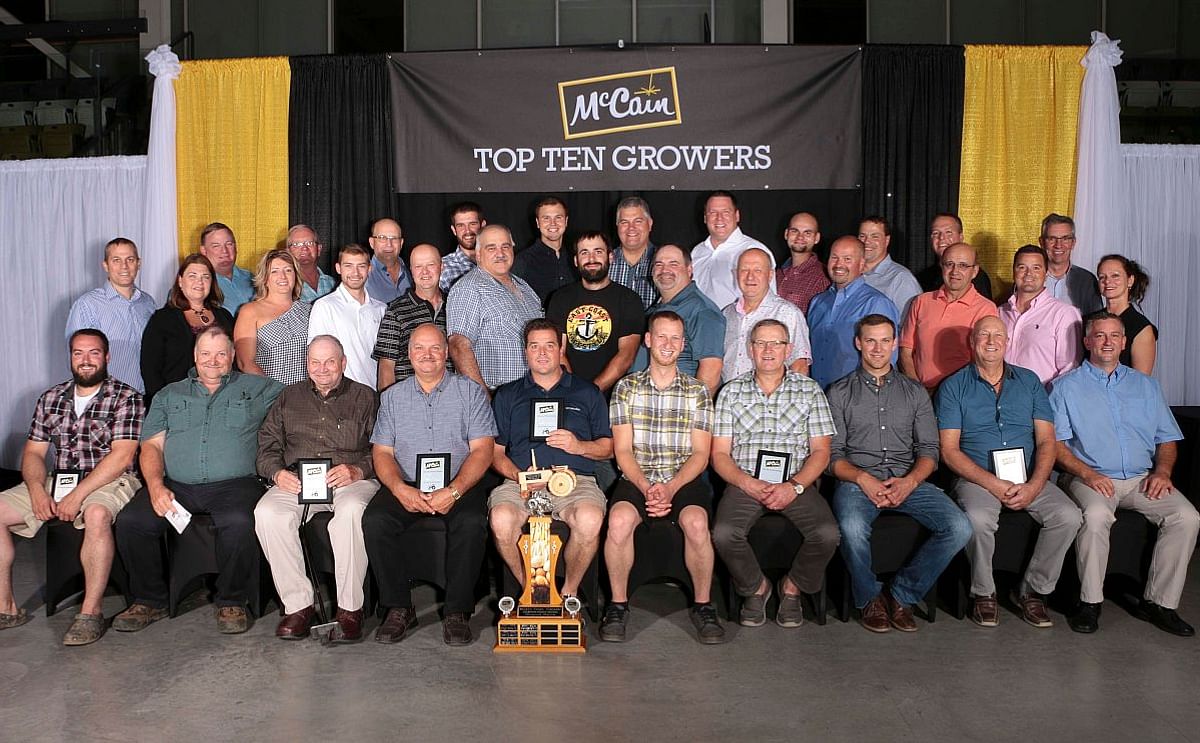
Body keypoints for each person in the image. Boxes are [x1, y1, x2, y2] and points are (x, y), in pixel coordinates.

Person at [114, 328, 282, 634]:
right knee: (131, 521)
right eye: (206, 353)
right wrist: (155, 486)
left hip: (236, 484)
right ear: (195, 356)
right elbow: (151, 445)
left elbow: (297, 405)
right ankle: (149, 599)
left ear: (232, 356)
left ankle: (232, 599)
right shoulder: (169, 394)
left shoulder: (260, 388)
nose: (213, 361)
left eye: (221, 354)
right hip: (177, 486)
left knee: (239, 521)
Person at [1050, 312, 1198, 636]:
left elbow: (1167, 438)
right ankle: (1089, 603)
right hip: (1089, 477)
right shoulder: (1064, 388)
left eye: (1114, 336)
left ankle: (1160, 603)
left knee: (1186, 516)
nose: (1107, 342)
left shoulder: (1146, 386)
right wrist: (1087, 474)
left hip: (1141, 478)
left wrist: (1162, 471)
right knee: (1096, 515)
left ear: (1124, 342)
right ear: (1087, 341)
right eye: (1100, 336)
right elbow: (1055, 446)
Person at [828, 315, 971, 633]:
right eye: (870, 340)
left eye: (884, 341)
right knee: (851, 528)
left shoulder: (915, 392)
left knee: (959, 527)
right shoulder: (838, 393)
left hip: (908, 479)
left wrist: (910, 481)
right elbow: (832, 456)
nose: (877, 348)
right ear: (858, 343)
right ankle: (868, 599)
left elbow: (929, 451)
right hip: (857, 481)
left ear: (895, 344)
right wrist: (863, 479)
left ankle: (902, 595)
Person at [936, 316, 1082, 629]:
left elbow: (1046, 441)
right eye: (984, 335)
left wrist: (1034, 485)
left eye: (998, 335)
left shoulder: (1030, 382)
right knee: (977, 519)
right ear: (971, 342)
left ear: (1008, 342)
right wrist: (993, 483)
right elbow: (949, 451)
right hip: (977, 477)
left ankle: (1032, 591)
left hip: (1029, 476)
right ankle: (984, 593)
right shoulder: (953, 387)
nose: (991, 341)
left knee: (1069, 515)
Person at [0, 329, 143, 646]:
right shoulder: (51, 398)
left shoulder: (126, 397)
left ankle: (89, 614)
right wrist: (37, 489)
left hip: (112, 478)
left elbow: (121, 457)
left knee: (95, 513)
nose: (86, 360)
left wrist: (77, 496)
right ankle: (6, 607)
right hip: (61, 477)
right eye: (78, 353)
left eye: (94, 353)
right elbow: (34, 453)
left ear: (107, 357)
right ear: (70, 357)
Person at [363, 324, 496, 645]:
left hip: (458, 482)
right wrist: (398, 489)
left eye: (435, 348)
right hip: (407, 481)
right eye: (419, 348)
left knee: (471, 521)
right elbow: (381, 452)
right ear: (409, 355)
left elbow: (483, 449)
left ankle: (457, 611)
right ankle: (398, 606)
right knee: (375, 520)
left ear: (447, 353)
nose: (427, 355)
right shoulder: (392, 397)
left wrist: (454, 490)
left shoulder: (470, 391)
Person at [600, 311, 723, 644]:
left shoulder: (698, 392)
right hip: (637, 474)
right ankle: (618, 604)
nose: (668, 345)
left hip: (681, 477)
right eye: (661, 337)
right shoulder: (626, 388)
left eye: (675, 339)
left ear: (683, 345)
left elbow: (701, 454)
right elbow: (622, 451)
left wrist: (669, 488)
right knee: (620, 521)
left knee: (697, 523)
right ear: (649, 340)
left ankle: (703, 605)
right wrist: (646, 486)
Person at [711, 319, 840, 629]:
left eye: (776, 343)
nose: (768, 350)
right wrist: (747, 483)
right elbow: (719, 454)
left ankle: (792, 588)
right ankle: (756, 588)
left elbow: (822, 452)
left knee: (828, 534)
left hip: (796, 481)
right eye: (760, 343)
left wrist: (793, 486)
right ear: (750, 349)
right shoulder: (731, 393)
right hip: (745, 482)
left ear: (788, 349)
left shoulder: (809, 391)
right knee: (724, 534)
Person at [254, 336, 379, 642]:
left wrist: (358, 469)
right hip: (298, 479)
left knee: (350, 513)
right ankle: (298, 606)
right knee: (267, 513)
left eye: (330, 362)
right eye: (315, 362)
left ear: (343, 363)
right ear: (306, 363)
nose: (322, 369)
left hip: (349, 480)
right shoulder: (288, 397)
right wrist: (277, 473)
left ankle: (350, 610)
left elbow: (384, 449)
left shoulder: (366, 397)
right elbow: (267, 447)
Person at [488, 319, 612, 610]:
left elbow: (608, 448)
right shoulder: (507, 395)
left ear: (561, 348)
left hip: (576, 482)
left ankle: (567, 596)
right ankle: (530, 591)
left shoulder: (587, 393)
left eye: (549, 346)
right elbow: (494, 453)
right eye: (534, 346)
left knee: (590, 519)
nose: (542, 353)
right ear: (525, 351)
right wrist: (519, 476)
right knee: (501, 520)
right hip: (520, 484)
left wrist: (578, 446)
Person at [447, 225, 543, 394]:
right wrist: (483, 401)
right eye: (491, 248)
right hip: (495, 396)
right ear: (478, 254)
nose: (500, 253)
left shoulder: (526, 289)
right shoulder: (469, 288)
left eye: (505, 246)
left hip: (533, 393)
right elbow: (458, 347)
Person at [546, 231, 644, 396]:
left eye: (598, 251)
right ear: (576, 260)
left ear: (610, 257)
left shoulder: (629, 300)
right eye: (584, 252)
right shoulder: (560, 298)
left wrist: (591, 392)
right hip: (568, 394)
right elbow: (558, 351)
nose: (591, 259)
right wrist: (573, 390)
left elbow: (626, 355)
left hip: (613, 399)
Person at [899, 243, 998, 392]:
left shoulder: (985, 308)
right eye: (949, 264)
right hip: (921, 394)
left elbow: (985, 360)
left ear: (975, 271)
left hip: (962, 395)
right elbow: (906, 351)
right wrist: (918, 391)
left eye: (963, 265)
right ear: (942, 267)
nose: (954, 271)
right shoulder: (921, 301)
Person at [630, 245, 725, 397]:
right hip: (645, 403)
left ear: (689, 270)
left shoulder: (702, 310)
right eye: (659, 264)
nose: (664, 269)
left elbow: (711, 371)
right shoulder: (656, 308)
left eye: (673, 264)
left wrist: (692, 412)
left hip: (677, 409)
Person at [140, 254, 235, 405]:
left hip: (222, 402)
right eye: (193, 276)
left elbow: (234, 361)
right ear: (180, 281)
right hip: (177, 404)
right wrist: (164, 405)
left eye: (205, 277)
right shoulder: (162, 319)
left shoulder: (225, 317)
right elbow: (150, 369)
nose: (199, 282)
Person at [66, 237, 157, 392]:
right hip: (109, 399)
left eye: (130, 259)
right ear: (106, 265)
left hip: (147, 396)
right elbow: (79, 360)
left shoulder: (148, 303)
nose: (124, 266)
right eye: (116, 260)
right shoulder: (87, 305)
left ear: (138, 263)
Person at [807, 236, 899, 388]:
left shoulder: (876, 303)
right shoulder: (817, 302)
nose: (839, 264)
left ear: (862, 265)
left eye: (847, 259)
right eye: (834, 258)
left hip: (857, 401)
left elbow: (886, 361)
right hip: (818, 399)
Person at [722, 247, 811, 382]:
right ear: (736, 274)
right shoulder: (727, 314)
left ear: (770, 275)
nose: (750, 276)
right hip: (729, 398)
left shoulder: (788, 313)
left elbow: (799, 366)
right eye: (744, 270)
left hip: (772, 400)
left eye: (757, 270)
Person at [998, 245, 1082, 386]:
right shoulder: (999, 312)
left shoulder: (1063, 314)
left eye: (1036, 268)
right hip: (1000, 401)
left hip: (1042, 401)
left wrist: (1044, 402)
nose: (1028, 274)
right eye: (1022, 267)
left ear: (1046, 272)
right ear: (1014, 271)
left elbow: (1069, 369)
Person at [374, 243, 453, 391]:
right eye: (418, 266)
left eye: (430, 265)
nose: (425, 272)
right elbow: (386, 366)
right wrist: (389, 407)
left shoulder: (455, 306)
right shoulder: (395, 311)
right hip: (408, 401)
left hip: (450, 399)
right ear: (411, 270)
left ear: (442, 267)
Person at [307, 244, 386, 388]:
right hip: (339, 396)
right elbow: (316, 356)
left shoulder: (381, 309)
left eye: (361, 266)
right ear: (338, 268)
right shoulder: (324, 306)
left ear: (369, 269)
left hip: (375, 395)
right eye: (348, 266)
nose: (355, 272)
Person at [233, 248, 312, 386]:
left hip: (307, 395)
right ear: (265, 278)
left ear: (296, 275)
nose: (282, 276)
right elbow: (245, 363)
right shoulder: (250, 311)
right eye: (274, 271)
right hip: (269, 396)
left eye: (288, 270)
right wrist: (275, 391)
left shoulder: (309, 310)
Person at [691, 191, 772, 309]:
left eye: (726, 212)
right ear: (705, 217)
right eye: (713, 212)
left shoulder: (754, 250)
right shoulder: (697, 251)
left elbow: (768, 303)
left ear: (737, 216)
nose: (719, 218)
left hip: (737, 326)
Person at [1097, 254, 1157, 374]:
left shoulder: (1141, 328)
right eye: (1102, 277)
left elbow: (1141, 382)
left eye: (1115, 276)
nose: (1108, 281)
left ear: (1130, 280)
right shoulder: (1091, 320)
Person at [513, 196, 576, 304]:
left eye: (558, 217)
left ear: (566, 221)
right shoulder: (523, 260)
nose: (553, 223)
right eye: (546, 218)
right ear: (537, 223)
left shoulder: (578, 257)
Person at [916, 213, 992, 299]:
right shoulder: (923, 277)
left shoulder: (975, 276)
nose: (941, 238)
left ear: (961, 237)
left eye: (948, 232)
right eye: (936, 233)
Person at [859, 216, 922, 318]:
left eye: (874, 236)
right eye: (862, 236)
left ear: (887, 240)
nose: (866, 241)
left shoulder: (901, 278)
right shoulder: (851, 273)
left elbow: (911, 324)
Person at [1040, 213, 1102, 316]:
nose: (1058, 245)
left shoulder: (1087, 280)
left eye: (1065, 239)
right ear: (1042, 242)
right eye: (1052, 239)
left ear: (1073, 243)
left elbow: (1096, 323)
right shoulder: (1031, 278)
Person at [608, 196, 659, 310]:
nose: (631, 228)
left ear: (650, 224)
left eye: (638, 221)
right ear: (617, 226)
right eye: (624, 222)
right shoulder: (605, 263)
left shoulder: (663, 263)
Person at [775, 211, 830, 314]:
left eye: (807, 233)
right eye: (794, 231)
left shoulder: (822, 279)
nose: (800, 237)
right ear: (786, 234)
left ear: (816, 238)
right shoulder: (776, 273)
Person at [198, 222, 255, 315]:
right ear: (204, 251)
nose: (224, 251)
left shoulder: (252, 278)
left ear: (236, 247)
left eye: (229, 244)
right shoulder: (198, 285)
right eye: (216, 246)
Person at [364, 217, 412, 304]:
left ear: (401, 243)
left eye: (394, 238)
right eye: (382, 238)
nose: (389, 244)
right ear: (371, 242)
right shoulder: (361, 275)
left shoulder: (414, 271)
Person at [440, 202, 485, 292]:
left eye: (472, 224)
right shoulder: (443, 267)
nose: (467, 230)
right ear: (454, 230)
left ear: (483, 225)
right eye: (461, 225)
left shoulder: (497, 260)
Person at [286, 224, 336, 303]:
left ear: (319, 249)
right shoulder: (285, 284)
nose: (304, 248)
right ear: (288, 252)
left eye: (310, 243)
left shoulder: (333, 283)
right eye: (296, 244)